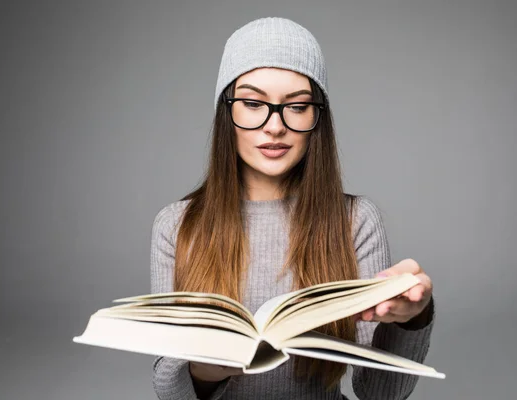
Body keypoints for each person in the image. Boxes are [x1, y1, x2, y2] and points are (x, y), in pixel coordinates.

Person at [150, 17, 435, 400]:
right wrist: (203, 370)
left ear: (317, 118)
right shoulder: (177, 226)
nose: (274, 126)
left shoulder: (355, 222)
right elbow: (171, 393)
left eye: (297, 107)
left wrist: (412, 318)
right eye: (253, 103)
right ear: (226, 113)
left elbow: (381, 393)